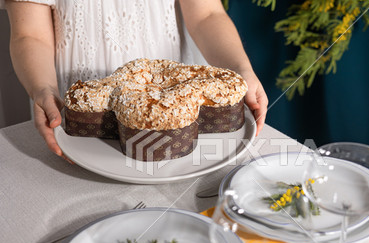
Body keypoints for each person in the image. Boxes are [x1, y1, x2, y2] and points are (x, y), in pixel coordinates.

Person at [3, 0, 268, 160]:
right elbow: (30, 35)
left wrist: (239, 68)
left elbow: (207, 15)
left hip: (173, 104)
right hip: (85, 109)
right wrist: (43, 88)